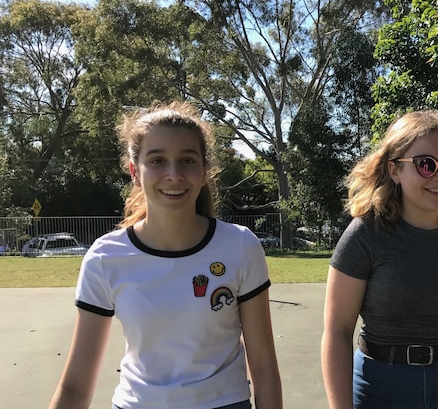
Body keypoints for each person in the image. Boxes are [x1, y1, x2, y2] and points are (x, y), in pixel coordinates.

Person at [49, 102, 282, 409]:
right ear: (135, 172)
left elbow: (264, 368)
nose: (174, 174)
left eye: (187, 160)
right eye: (157, 160)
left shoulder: (240, 246)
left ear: (204, 171)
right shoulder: (105, 258)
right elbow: (76, 387)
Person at [321, 109, 438, 409]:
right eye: (426, 165)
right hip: (380, 387)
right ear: (395, 169)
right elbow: (337, 331)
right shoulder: (365, 234)